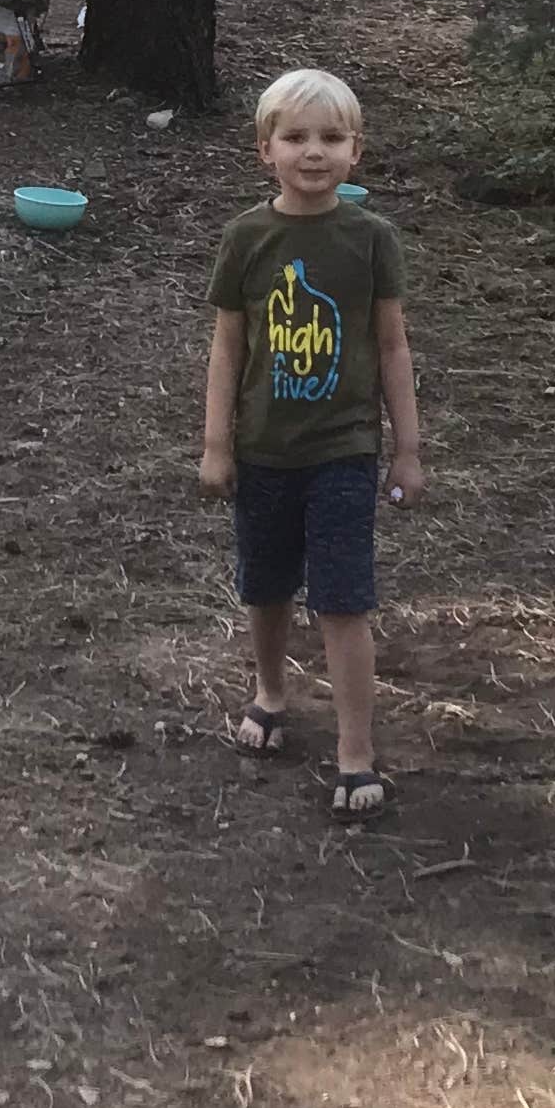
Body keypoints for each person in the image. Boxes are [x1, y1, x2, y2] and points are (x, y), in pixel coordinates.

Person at [198, 65, 424, 818]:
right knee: (265, 586)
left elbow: (392, 346)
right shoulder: (247, 238)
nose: (314, 152)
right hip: (263, 450)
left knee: (342, 599)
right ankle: (270, 693)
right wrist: (216, 445)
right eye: (295, 137)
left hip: (344, 451)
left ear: (357, 150)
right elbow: (228, 348)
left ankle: (355, 752)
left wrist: (407, 449)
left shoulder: (371, 240)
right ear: (265, 149)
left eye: (332, 138)